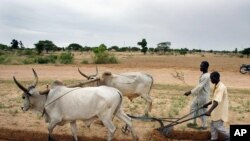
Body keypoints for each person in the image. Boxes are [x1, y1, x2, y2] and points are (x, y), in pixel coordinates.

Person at [184, 61, 210, 129]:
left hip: (203, 97)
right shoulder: (203, 74)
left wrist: (190, 92)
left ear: (206, 67)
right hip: (199, 95)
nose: (200, 67)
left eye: (202, 66)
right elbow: (199, 86)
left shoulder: (206, 76)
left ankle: (204, 126)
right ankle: (193, 122)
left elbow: (199, 87)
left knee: (201, 111)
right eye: (200, 66)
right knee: (193, 106)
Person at [205, 71, 230, 141]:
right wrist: (207, 104)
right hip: (216, 110)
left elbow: (216, 102)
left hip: (220, 110)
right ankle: (214, 138)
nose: (210, 80)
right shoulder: (216, 85)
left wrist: (209, 111)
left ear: (215, 78)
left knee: (218, 126)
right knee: (213, 125)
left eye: (211, 78)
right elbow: (214, 99)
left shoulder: (221, 87)